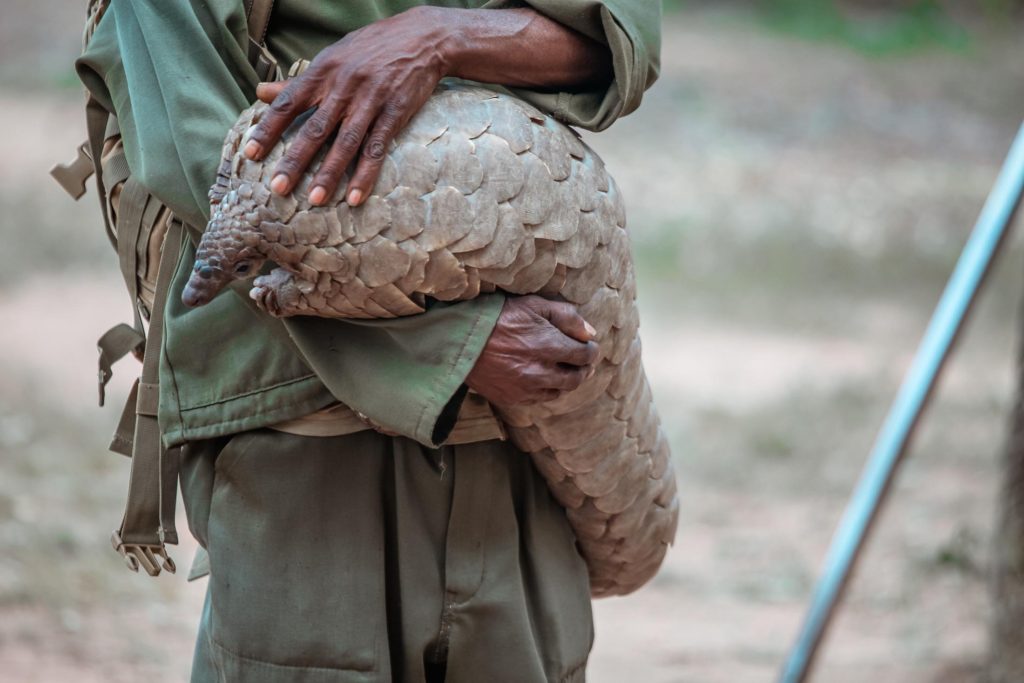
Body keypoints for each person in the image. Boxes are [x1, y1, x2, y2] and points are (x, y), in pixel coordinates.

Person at [76, 1, 660, 681]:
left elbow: (615, 40)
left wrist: (439, 38)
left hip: (520, 431)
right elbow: (202, 168)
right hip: (307, 429)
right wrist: (450, 344)